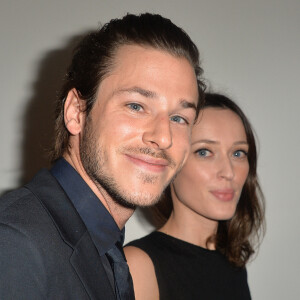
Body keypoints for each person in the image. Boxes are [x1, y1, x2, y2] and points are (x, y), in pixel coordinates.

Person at [0, 13, 205, 299]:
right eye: (136, 106)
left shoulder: (106, 249)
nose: (164, 137)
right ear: (76, 113)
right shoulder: (14, 243)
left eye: (180, 118)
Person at [125, 93, 265, 300]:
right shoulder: (139, 265)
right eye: (204, 152)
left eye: (238, 153)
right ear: (171, 163)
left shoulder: (233, 265)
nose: (229, 172)